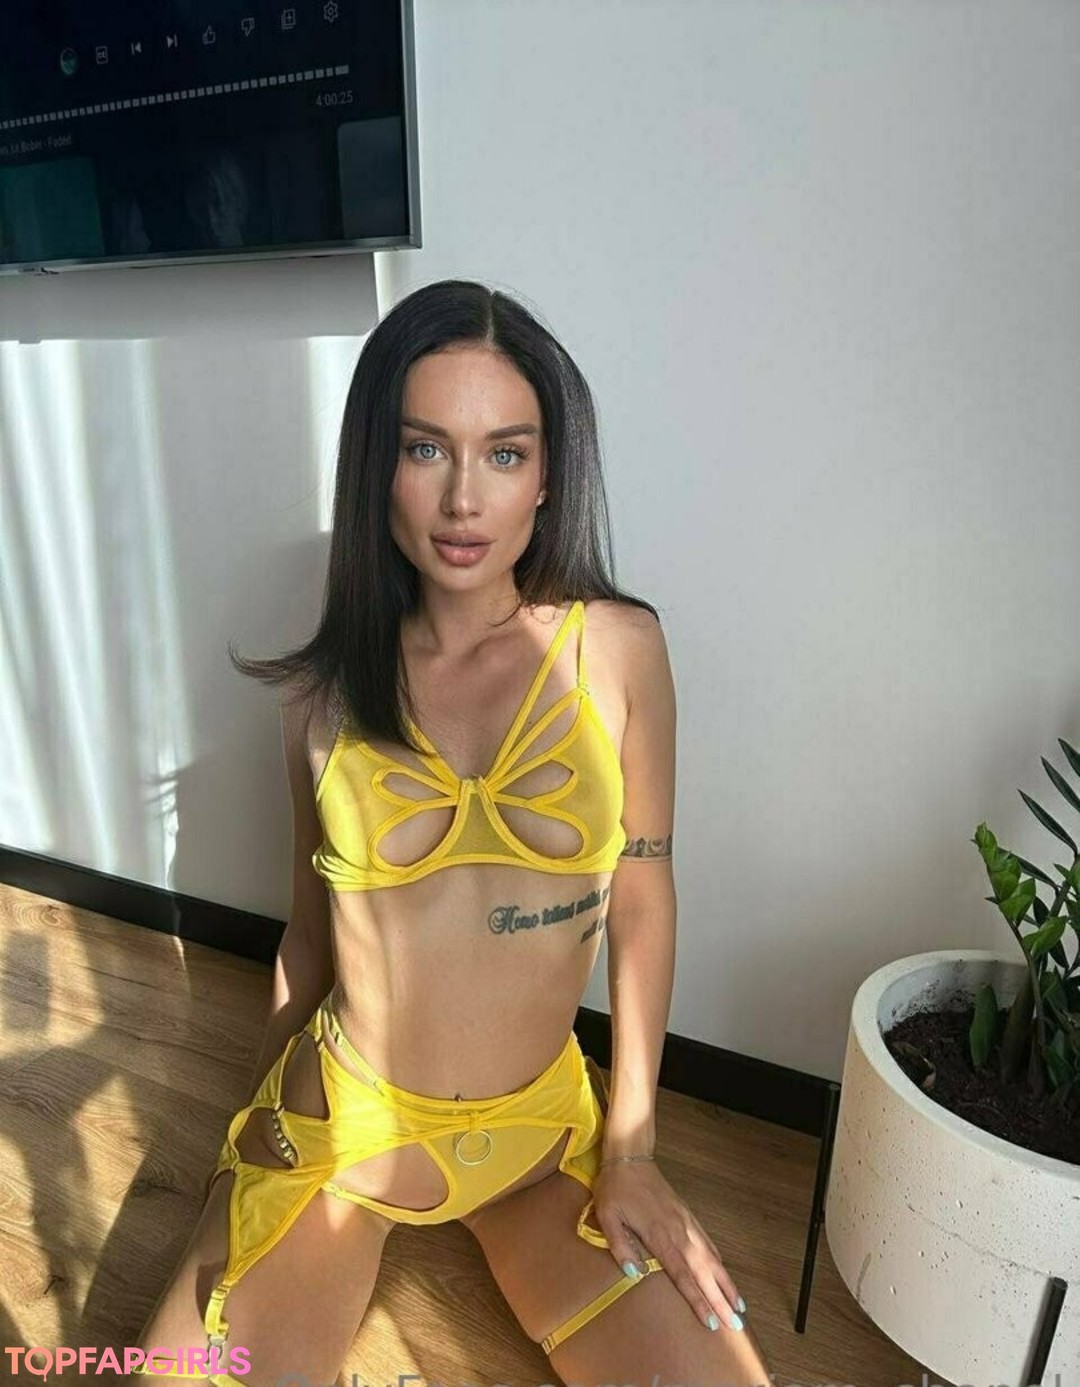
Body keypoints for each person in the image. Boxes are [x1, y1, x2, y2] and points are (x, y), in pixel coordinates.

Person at [126, 280, 775, 1386]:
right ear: (376, 466)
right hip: (346, 1128)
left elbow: (643, 895)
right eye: (426, 449)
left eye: (504, 454)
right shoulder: (320, 698)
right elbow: (309, 937)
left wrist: (633, 1148)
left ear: (548, 475)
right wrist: (246, 1138)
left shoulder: (620, 650)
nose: (464, 499)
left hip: (543, 1144)